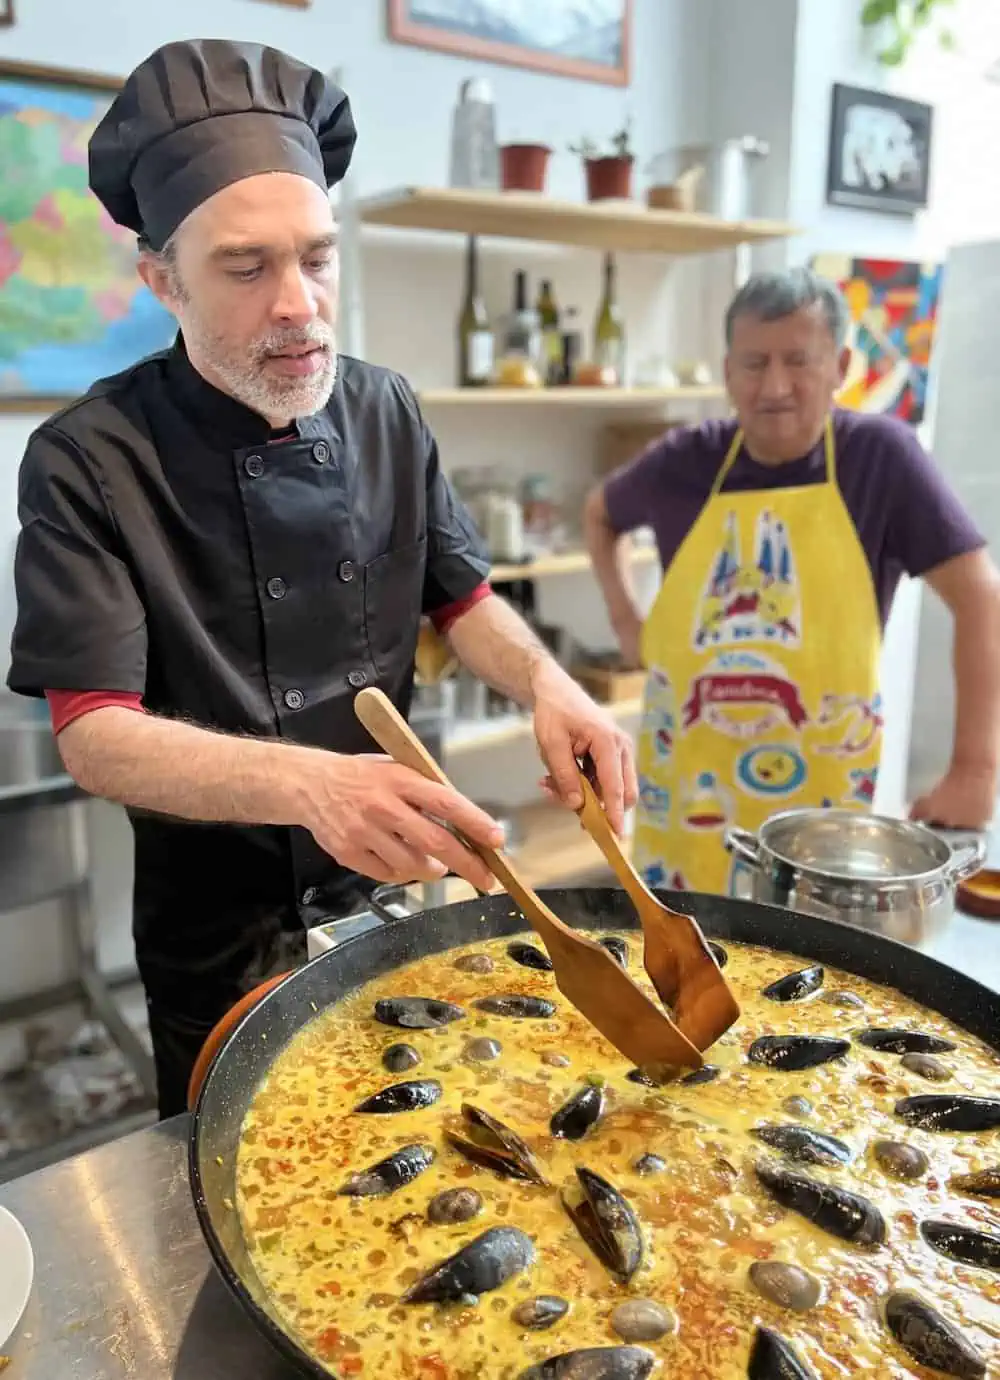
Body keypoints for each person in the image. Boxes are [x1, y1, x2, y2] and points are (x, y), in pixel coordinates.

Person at [6, 39, 636, 1119]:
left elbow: (463, 597)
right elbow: (94, 732)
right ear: (161, 279)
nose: (298, 303)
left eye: (318, 257)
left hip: (394, 888)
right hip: (220, 939)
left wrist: (548, 686)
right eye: (246, 268)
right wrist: (314, 784)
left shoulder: (386, 409)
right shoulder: (88, 457)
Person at [584, 268, 1000, 895]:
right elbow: (600, 514)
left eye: (798, 361)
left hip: (820, 796)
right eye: (754, 363)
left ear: (841, 364)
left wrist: (975, 768)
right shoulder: (687, 459)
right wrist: (626, 623)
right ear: (728, 372)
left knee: (807, 974)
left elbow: (981, 601)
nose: (775, 386)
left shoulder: (881, 459)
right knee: (681, 964)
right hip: (690, 792)